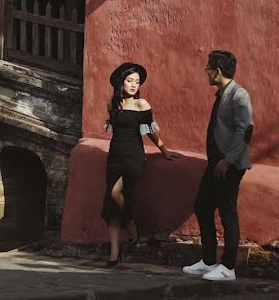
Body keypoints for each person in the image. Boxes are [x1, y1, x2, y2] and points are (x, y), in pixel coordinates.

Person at [183, 50, 254, 282]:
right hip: (216, 163)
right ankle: (208, 260)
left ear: (217, 71)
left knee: (227, 214)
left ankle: (228, 268)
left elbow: (246, 130)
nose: (206, 73)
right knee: (202, 206)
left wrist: (228, 161)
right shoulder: (223, 93)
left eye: (208, 69)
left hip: (229, 165)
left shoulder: (238, 95)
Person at [102, 62, 176, 266]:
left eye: (137, 81)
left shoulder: (142, 105)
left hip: (134, 156)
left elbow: (150, 131)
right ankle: (114, 255)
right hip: (114, 156)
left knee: (115, 194)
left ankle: (131, 223)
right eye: (129, 80)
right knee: (111, 206)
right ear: (121, 82)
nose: (134, 85)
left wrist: (164, 150)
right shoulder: (112, 105)